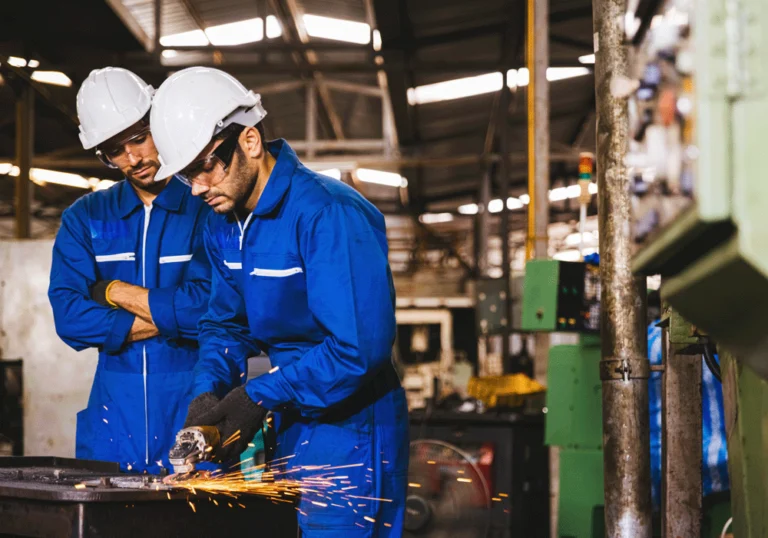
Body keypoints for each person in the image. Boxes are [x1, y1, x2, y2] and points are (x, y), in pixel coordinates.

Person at [150, 67, 408, 536]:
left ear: (249, 141)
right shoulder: (224, 224)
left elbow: (357, 349)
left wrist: (257, 394)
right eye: (187, 175)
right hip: (289, 416)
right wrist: (209, 393)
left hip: (350, 424)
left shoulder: (328, 213)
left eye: (206, 166)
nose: (198, 188)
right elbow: (224, 324)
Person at [48, 67, 212, 473]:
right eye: (114, 150)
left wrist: (114, 291)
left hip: (193, 411)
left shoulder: (206, 203)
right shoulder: (85, 217)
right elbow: (69, 317)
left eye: (139, 138)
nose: (133, 158)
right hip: (111, 426)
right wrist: (171, 313)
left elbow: (214, 306)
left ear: (158, 122)